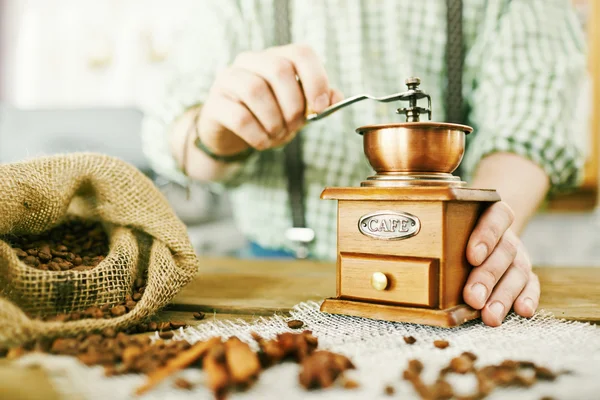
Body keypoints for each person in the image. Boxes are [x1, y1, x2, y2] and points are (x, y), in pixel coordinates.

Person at [140, 0, 587, 327]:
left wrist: (479, 243)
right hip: (273, 272)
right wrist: (215, 129)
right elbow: (175, 136)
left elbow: (529, 124)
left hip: (452, 275)